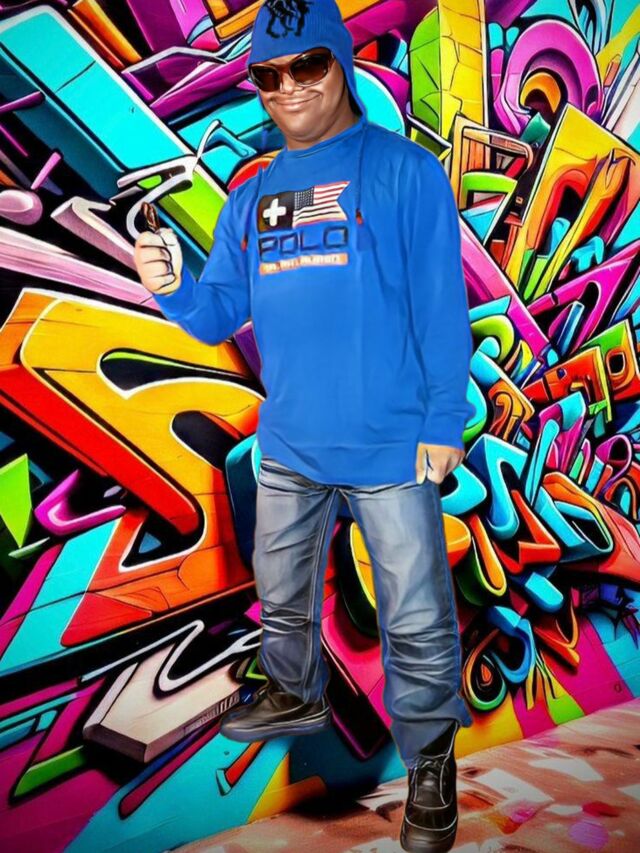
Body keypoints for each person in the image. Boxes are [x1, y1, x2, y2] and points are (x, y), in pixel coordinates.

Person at [134, 1, 474, 850]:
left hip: (391, 445)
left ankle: (431, 762)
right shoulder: (251, 196)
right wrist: (171, 285)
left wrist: (443, 420)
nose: (287, 88)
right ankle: (294, 687)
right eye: (268, 75)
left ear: (342, 63)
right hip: (288, 444)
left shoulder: (405, 173)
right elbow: (217, 314)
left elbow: (441, 307)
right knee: (281, 592)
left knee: (415, 617)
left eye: (307, 66)